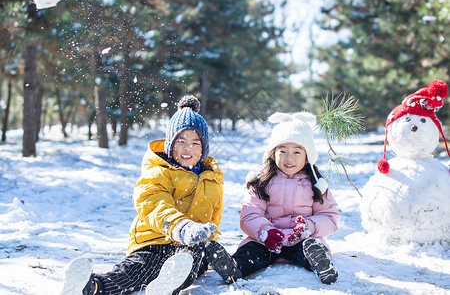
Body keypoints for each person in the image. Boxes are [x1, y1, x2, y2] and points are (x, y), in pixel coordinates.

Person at [60, 95, 237, 295]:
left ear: (204, 148)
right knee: (133, 272)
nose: (188, 148)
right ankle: (90, 287)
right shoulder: (158, 171)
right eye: (181, 141)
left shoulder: (211, 179)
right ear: (170, 144)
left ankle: (167, 285)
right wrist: (181, 226)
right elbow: (153, 202)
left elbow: (214, 217)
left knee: (192, 257)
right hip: (153, 241)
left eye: (196, 143)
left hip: (189, 247)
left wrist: (211, 243)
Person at [210, 111, 340, 285]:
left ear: (308, 156)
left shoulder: (317, 184)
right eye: (282, 151)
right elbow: (250, 213)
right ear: (272, 153)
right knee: (252, 251)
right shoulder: (262, 182)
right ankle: (234, 267)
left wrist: (308, 227)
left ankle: (320, 263)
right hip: (267, 241)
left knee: (308, 249)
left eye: (297, 152)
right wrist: (265, 232)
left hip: (301, 239)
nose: (289, 158)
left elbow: (330, 217)